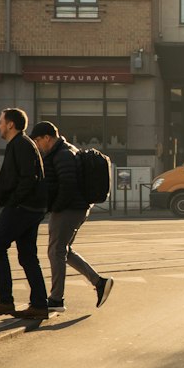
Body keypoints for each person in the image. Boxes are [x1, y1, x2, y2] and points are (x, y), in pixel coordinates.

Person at [29, 121, 113, 312]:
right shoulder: (63, 151)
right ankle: (100, 282)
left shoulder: (63, 155)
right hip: (75, 207)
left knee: (56, 251)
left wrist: (54, 208)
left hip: (69, 209)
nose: (37, 145)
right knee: (64, 251)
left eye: (37, 141)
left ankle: (57, 299)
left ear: (47, 138)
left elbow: (67, 186)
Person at [0, 107, 49, 320]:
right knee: (28, 256)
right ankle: (39, 305)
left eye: (1, 122)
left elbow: (28, 178)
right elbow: (17, 177)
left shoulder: (20, 144)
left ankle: (5, 301)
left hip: (22, 208)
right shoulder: (21, 144)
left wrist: (13, 202)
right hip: (30, 207)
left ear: (11, 124)